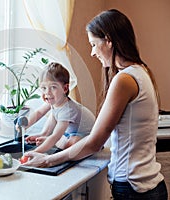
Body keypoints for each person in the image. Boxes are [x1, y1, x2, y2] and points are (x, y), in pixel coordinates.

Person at [23, 9, 168, 200]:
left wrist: (48, 160)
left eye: (93, 44)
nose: (92, 52)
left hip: (134, 189)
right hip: (147, 186)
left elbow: (95, 141)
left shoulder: (124, 79)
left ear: (108, 40)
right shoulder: (141, 72)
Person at [23, 62, 95, 153]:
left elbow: (56, 136)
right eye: (44, 88)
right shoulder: (55, 101)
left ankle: (50, 141)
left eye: (53, 87)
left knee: (72, 143)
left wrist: (36, 152)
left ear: (65, 89)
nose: (47, 93)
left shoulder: (68, 110)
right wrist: (25, 125)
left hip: (86, 136)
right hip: (68, 133)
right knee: (54, 116)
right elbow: (39, 113)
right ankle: (45, 135)